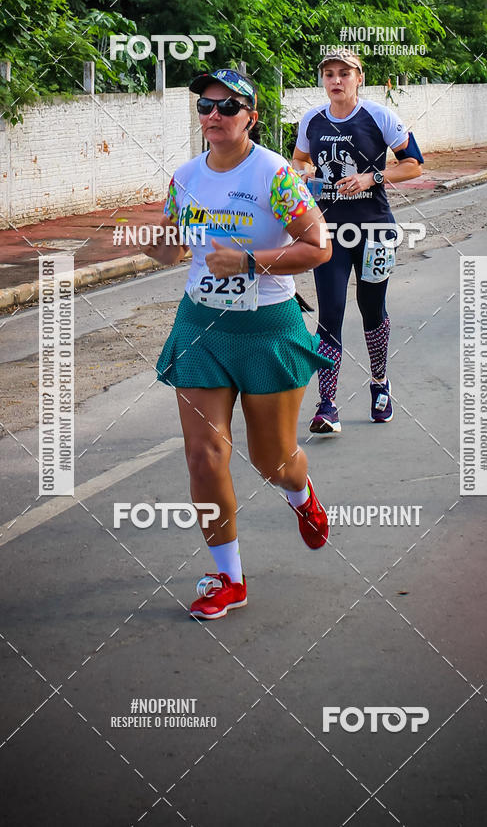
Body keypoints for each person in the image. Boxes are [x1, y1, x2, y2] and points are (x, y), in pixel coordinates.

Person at [142, 68, 333, 619]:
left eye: (228, 108)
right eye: (205, 106)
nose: (214, 116)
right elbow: (172, 251)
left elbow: (317, 247)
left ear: (252, 115)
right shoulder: (184, 177)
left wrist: (250, 260)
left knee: (271, 460)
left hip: (267, 326)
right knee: (204, 455)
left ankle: (302, 495)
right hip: (201, 326)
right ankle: (229, 577)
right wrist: (149, 239)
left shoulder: (275, 175)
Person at [292, 49, 424, 432]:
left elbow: (414, 164)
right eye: (329, 74)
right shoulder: (311, 120)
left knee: (371, 309)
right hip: (328, 231)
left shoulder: (379, 117)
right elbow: (300, 161)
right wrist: (304, 175)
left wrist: (371, 178)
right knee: (329, 314)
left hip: (375, 229)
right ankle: (327, 404)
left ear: (359, 78)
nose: (336, 80)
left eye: (344, 73)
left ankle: (380, 384)